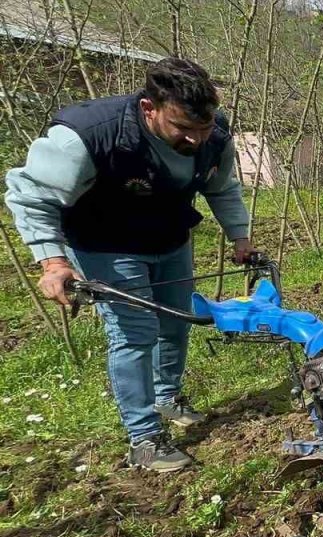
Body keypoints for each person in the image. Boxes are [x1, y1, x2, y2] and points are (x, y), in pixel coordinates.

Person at [4, 57, 256, 472]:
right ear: (148, 109)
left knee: (177, 322)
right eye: (182, 129)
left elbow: (221, 187)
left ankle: (166, 396)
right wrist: (52, 261)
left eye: (203, 128)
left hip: (170, 238)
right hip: (107, 245)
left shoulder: (214, 135)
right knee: (135, 333)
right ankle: (143, 436)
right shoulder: (89, 135)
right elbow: (31, 196)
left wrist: (241, 238)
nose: (195, 139)